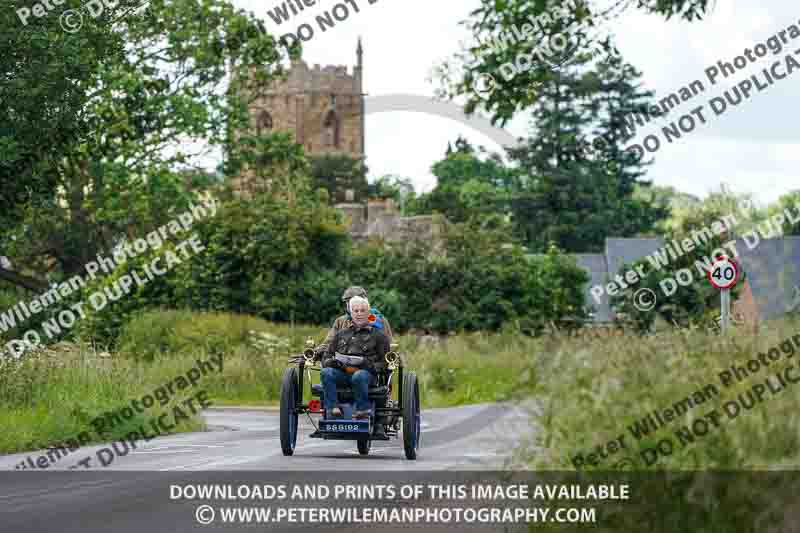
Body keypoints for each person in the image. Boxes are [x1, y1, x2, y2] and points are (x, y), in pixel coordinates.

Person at [320, 295, 390, 420]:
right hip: (343, 373)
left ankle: (362, 410)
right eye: (355, 311)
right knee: (326, 372)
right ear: (351, 313)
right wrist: (332, 362)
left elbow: (385, 363)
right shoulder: (341, 334)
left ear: (368, 313)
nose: (359, 314)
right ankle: (333, 408)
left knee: (359, 376)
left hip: (366, 375)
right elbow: (326, 356)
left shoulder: (378, 336)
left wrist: (367, 364)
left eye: (362, 311)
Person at [315, 286, 393, 357]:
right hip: (343, 365)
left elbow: (388, 346)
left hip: (370, 365)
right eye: (346, 302)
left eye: (350, 301)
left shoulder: (377, 320)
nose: (348, 305)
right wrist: (314, 353)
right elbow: (328, 343)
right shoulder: (340, 321)